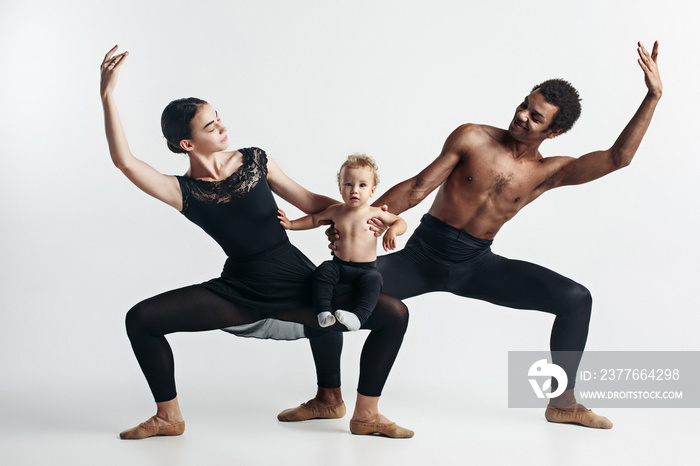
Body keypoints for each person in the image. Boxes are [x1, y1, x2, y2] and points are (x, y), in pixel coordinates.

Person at [282, 41, 662, 429]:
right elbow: (417, 186)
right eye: (524, 105)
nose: (522, 116)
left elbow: (619, 158)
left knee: (576, 299)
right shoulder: (472, 137)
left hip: (477, 265)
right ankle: (328, 397)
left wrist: (652, 96)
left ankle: (563, 402)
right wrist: (360, 223)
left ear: (555, 131)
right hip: (421, 257)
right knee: (324, 292)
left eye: (536, 116)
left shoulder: (550, 171)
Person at [99, 46, 413, 440]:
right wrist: (108, 96)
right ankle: (167, 417)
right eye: (209, 127)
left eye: (218, 118)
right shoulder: (183, 191)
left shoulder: (255, 160)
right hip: (240, 288)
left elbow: (308, 201)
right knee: (141, 319)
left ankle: (349, 407)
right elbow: (126, 162)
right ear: (187, 144)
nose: (222, 127)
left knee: (391, 314)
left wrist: (349, 217)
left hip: (292, 273)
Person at [278, 154, 407, 330]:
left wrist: (392, 230)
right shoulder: (336, 211)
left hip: (366, 269)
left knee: (375, 280)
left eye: (362, 185)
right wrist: (292, 224)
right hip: (339, 266)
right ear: (340, 188)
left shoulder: (375, 212)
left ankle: (358, 317)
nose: (354, 190)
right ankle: (323, 312)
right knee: (323, 271)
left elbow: (401, 222)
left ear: (372, 191)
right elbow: (314, 219)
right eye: (348, 184)